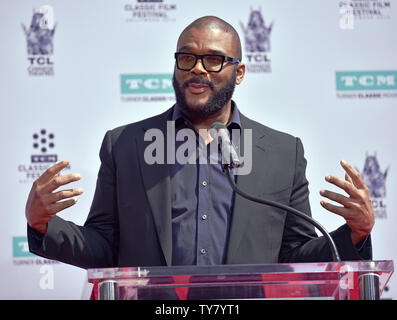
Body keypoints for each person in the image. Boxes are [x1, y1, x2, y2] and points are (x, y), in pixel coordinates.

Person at [26, 16, 374, 269]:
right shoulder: (127, 144)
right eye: (187, 58)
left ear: (238, 72)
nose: (198, 69)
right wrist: (44, 225)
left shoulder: (283, 153)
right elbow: (104, 247)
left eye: (214, 59)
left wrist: (355, 235)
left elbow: (295, 256)